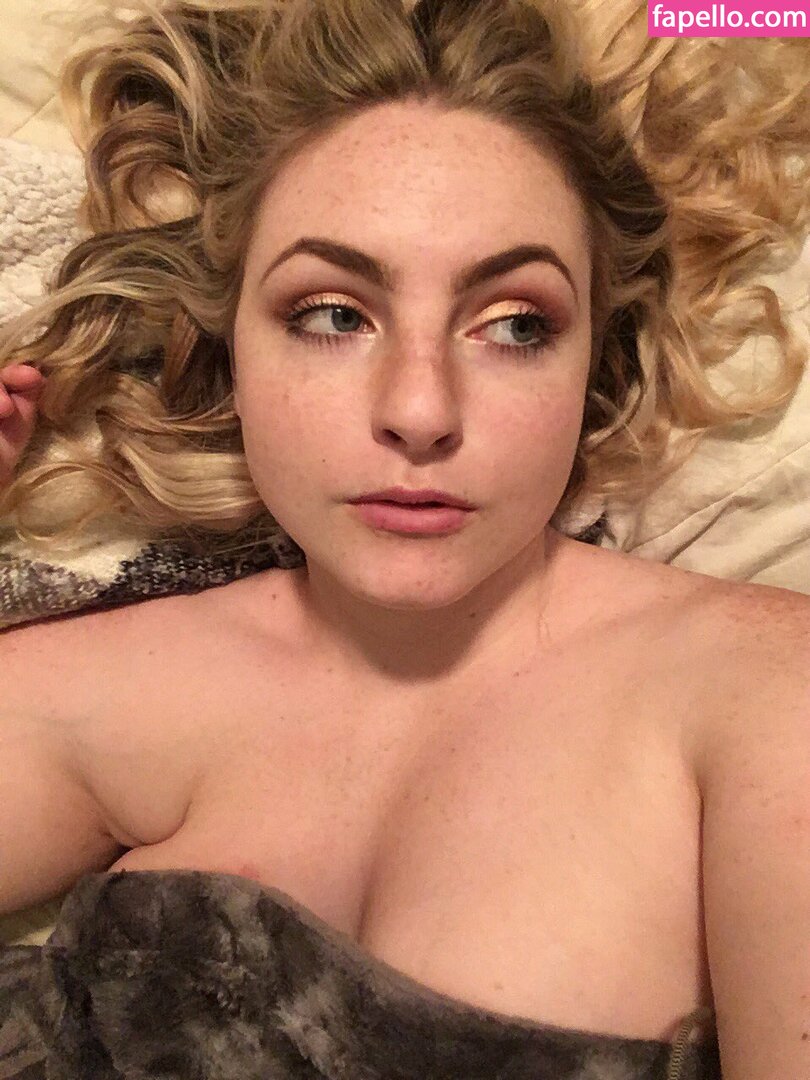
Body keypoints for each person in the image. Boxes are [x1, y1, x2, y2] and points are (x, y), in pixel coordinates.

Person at [0, 1, 807, 1077]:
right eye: (333, 315)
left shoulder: (763, 694)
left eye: (515, 325)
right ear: (230, 345)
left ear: (593, 361)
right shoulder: (122, 681)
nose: (420, 410)